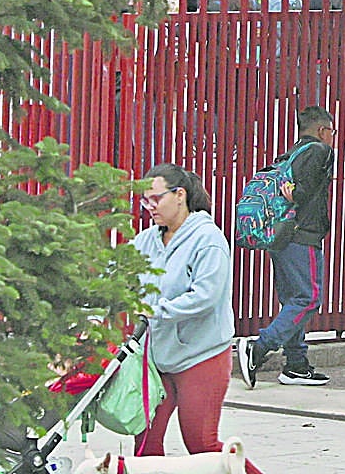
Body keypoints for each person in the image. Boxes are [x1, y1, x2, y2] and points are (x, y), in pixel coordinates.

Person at [133, 165, 263, 473]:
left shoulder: (208, 239)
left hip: (201, 355)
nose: (149, 207)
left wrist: (155, 309)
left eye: (156, 198)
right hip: (157, 356)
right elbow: (115, 275)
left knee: (201, 444)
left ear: (180, 196)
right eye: (144, 200)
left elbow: (205, 296)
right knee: (145, 445)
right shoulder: (147, 240)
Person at [238, 107, 335, 389]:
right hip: (302, 235)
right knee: (308, 298)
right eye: (332, 132)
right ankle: (258, 349)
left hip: (279, 236)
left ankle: (296, 365)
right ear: (321, 131)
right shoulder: (320, 151)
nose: (332, 138)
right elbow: (302, 193)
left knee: (293, 299)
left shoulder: (289, 155)